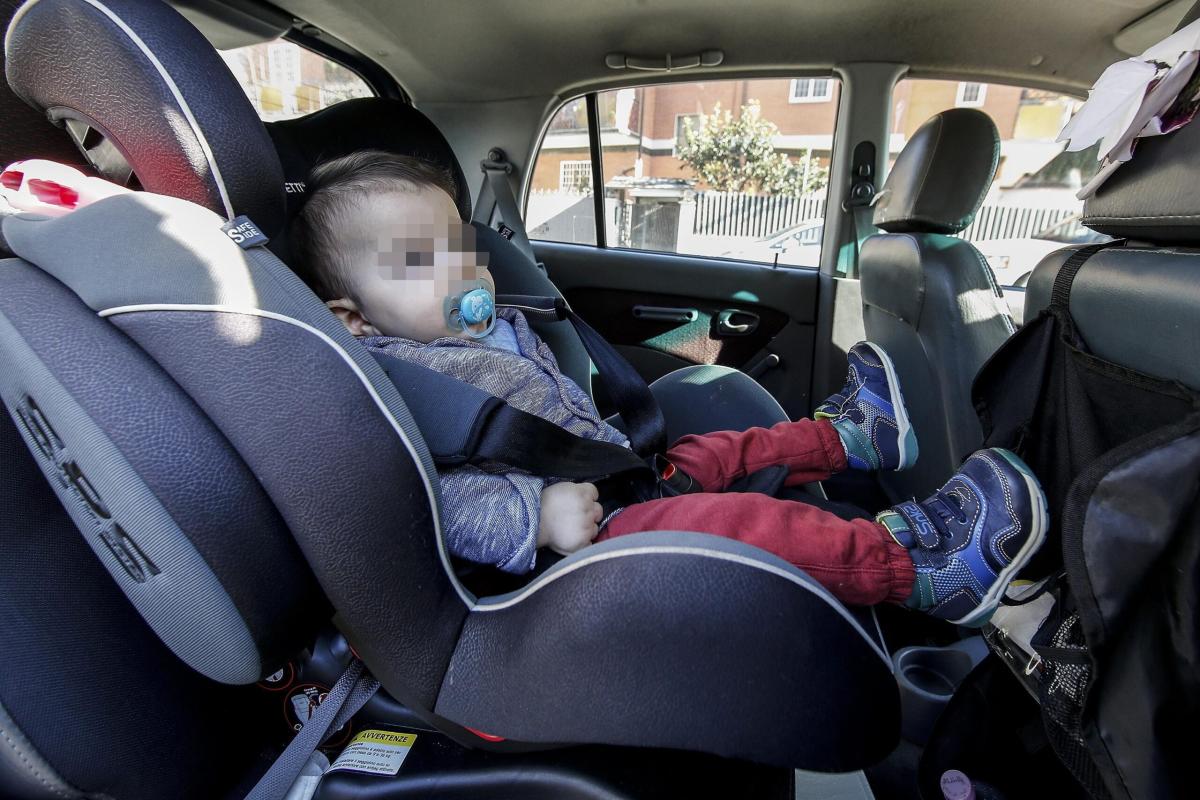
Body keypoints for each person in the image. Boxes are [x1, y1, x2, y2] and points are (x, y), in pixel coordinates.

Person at [290, 150, 1047, 628]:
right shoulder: (393, 384)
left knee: (725, 449)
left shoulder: (470, 329)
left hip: (610, 469)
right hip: (576, 539)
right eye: (422, 262)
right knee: (745, 522)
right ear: (353, 319)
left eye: (461, 246)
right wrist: (535, 516)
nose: (460, 271)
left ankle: (848, 436)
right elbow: (430, 500)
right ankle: (919, 571)